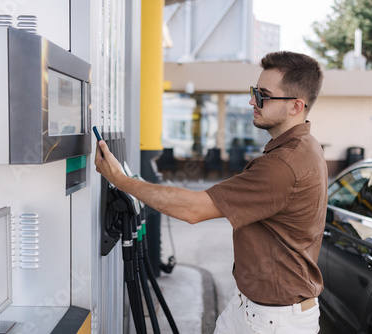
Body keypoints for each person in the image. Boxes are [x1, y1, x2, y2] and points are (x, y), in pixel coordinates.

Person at [95, 51, 328, 334]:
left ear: (296, 106)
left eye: (264, 95)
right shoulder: (306, 146)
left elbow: (193, 209)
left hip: (273, 321)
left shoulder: (284, 165)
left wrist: (120, 179)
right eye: (255, 91)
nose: (252, 101)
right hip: (253, 308)